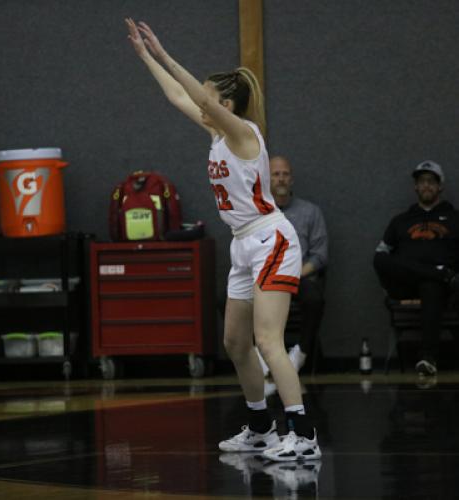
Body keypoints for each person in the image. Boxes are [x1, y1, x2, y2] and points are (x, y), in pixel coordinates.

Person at [125, 18, 321, 462]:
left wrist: (166, 53)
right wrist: (145, 57)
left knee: (268, 340)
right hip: (243, 243)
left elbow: (192, 91)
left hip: (271, 239)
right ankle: (260, 427)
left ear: (227, 104)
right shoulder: (217, 132)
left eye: (210, 100)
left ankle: (304, 434)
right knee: (236, 342)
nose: (202, 105)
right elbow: (179, 96)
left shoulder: (243, 133)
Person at [374, 161, 459, 376]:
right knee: (381, 259)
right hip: (406, 284)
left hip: (440, 291)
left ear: (440, 187)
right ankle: (439, 273)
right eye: (422, 181)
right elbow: (381, 254)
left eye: (431, 181)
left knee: (430, 285)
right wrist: (439, 272)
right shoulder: (401, 221)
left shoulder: (454, 219)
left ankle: (427, 358)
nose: (427, 186)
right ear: (415, 187)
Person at [256, 156, 328, 374]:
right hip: (265, 279)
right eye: (276, 174)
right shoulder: (256, 213)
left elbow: (320, 256)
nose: (281, 179)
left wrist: (295, 275)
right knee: (229, 299)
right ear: (268, 180)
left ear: (292, 180)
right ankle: (259, 354)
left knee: (315, 299)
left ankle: (300, 355)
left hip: (298, 277)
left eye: (285, 174)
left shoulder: (310, 212)